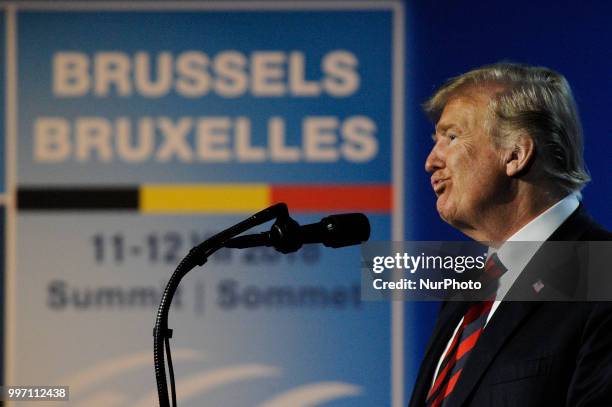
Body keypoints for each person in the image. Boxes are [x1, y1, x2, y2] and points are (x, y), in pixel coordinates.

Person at [408, 63, 612, 407]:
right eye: (435, 140)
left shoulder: (602, 273)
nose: (431, 161)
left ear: (516, 154)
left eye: (452, 137)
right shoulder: (467, 294)